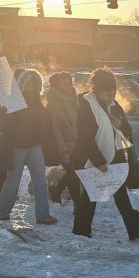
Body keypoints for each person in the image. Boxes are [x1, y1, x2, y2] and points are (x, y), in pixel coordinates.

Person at [72, 68, 139, 240]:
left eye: (112, 93)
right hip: (93, 157)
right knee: (91, 193)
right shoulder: (86, 105)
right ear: (96, 89)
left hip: (116, 154)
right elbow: (85, 137)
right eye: (106, 94)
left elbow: (127, 130)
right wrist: (98, 160)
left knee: (120, 193)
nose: (110, 97)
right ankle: (81, 229)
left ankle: (136, 230)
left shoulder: (115, 105)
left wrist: (121, 125)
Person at [0, 69, 57, 224]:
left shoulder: (38, 101)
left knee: (41, 181)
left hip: (34, 145)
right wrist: (0, 115)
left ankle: (43, 215)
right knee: (13, 181)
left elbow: (45, 123)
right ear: (22, 84)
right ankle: (2, 210)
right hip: (16, 146)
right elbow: (1, 125)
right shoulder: (13, 100)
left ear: (38, 85)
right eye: (28, 83)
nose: (31, 86)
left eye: (34, 83)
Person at [45, 71, 80, 204]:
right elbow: (56, 132)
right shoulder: (53, 105)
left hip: (78, 144)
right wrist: (63, 151)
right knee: (73, 175)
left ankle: (56, 190)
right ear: (56, 87)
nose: (68, 87)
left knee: (75, 173)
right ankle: (78, 206)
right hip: (65, 147)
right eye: (64, 85)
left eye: (70, 84)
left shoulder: (74, 100)